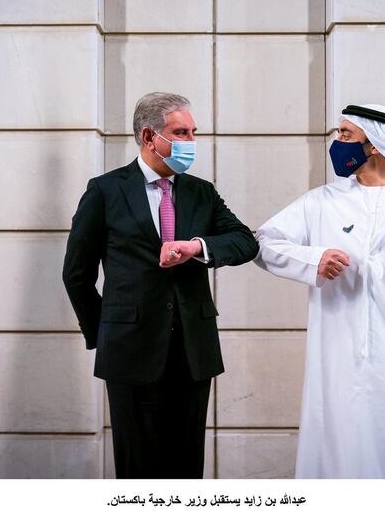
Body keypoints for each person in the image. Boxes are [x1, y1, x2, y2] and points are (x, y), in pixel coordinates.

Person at [254, 104, 385, 478]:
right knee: (344, 458)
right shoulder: (320, 202)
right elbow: (262, 243)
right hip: (340, 365)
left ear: (374, 144)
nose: (337, 143)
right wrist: (314, 259)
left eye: (345, 135)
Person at [63, 92, 258, 479]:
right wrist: (104, 332)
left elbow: (245, 241)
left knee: (186, 467)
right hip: (129, 350)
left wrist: (197, 247)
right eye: (181, 133)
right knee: (139, 467)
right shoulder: (105, 190)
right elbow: (77, 274)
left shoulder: (201, 191)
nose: (190, 142)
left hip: (193, 351)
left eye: (193, 133)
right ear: (150, 137)